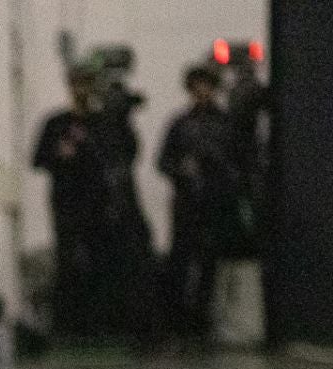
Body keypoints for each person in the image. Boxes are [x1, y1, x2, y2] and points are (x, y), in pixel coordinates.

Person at [33, 63, 154, 343]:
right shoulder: (57, 123)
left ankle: (101, 325)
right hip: (67, 204)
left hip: (99, 204)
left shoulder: (104, 123)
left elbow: (127, 154)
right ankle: (67, 328)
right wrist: (60, 154)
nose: (82, 90)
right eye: (77, 83)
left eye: (87, 83)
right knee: (69, 263)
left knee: (103, 263)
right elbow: (39, 159)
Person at [158, 64, 239, 345]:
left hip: (215, 203)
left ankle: (201, 323)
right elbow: (163, 162)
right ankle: (178, 323)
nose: (202, 91)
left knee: (209, 264)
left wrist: (220, 171)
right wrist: (182, 169)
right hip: (186, 203)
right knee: (180, 262)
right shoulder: (180, 124)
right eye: (197, 86)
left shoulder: (226, 123)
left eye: (206, 85)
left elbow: (239, 160)